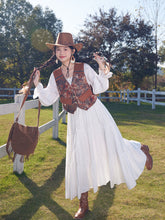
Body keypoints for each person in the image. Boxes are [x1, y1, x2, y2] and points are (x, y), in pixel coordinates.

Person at [33, 32, 153, 219]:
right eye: (58, 49)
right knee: (80, 158)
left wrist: (101, 67)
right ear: (55, 53)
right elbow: (48, 99)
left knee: (112, 147)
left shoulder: (84, 67)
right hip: (76, 121)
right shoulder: (55, 75)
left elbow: (99, 87)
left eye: (65, 49)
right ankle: (83, 205)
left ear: (72, 51)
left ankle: (141, 149)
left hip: (95, 114)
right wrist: (37, 85)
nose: (61, 52)